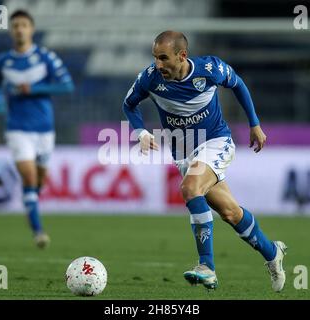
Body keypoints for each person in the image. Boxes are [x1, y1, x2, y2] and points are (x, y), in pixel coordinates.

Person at [123, 31, 287, 292]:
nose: (158, 64)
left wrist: (254, 124)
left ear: (182, 55)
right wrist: (140, 133)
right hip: (183, 153)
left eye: (163, 58)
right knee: (230, 213)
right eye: (155, 58)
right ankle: (272, 252)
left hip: (215, 141)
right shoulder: (150, 78)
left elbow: (238, 84)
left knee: (190, 189)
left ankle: (206, 266)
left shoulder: (209, 69)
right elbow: (129, 104)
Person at [0, 10, 75, 248]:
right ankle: (38, 231)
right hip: (17, 129)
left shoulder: (45, 57)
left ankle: (31, 202)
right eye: (16, 25)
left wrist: (35, 88)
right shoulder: (3, 62)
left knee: (38, 181)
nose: (19, 29)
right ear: (11, 30)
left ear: (31, 29)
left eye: (24, 25)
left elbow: (67, 86)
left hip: (44, 129)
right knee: (29, 177)